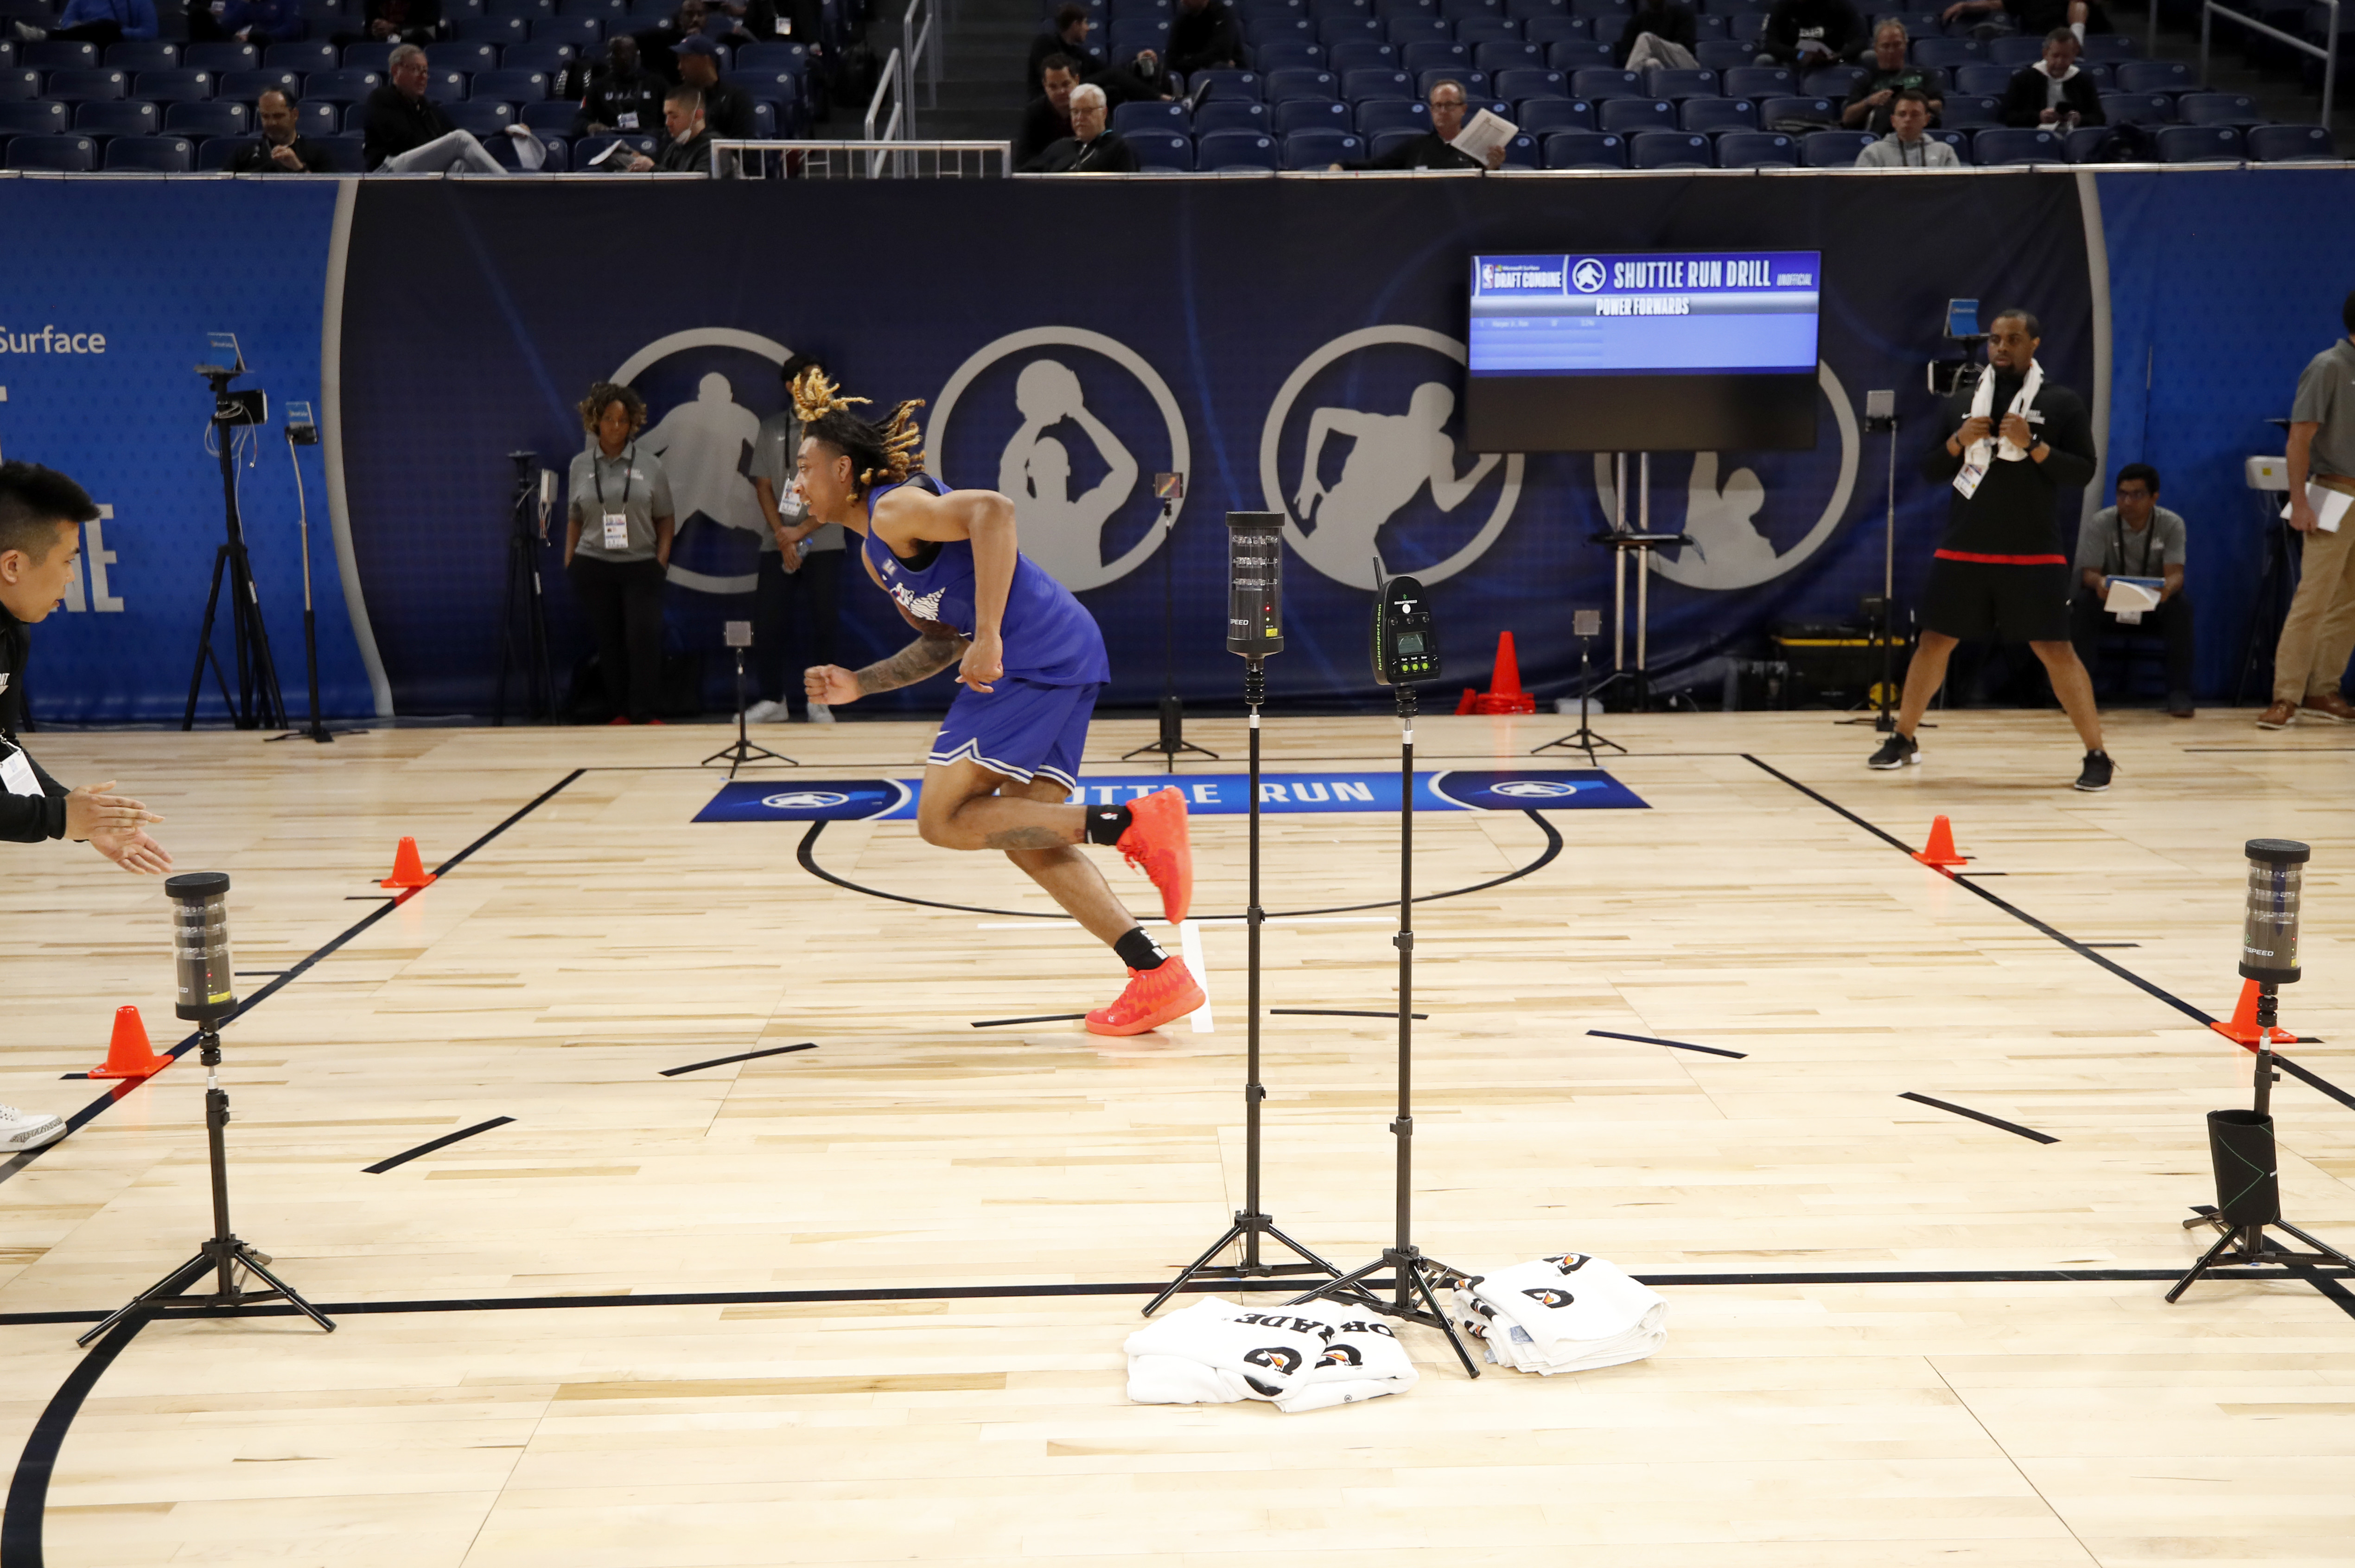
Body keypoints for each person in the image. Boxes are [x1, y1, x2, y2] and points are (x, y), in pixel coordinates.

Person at [787, 368, 1203, 1037]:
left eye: (805, 467)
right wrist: (861, 682)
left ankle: (1129, 823)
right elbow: (940, 642)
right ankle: (1156, 973)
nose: (797, 483)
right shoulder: (875, 552)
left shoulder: (894, 508)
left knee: (943, 819)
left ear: (842, 469)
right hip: (1060, 654)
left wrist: (988, 636)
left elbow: (995, 511)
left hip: (1036, 655)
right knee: (1026, 832)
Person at [0, 466, 172, 1156]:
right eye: (67, 561)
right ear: (13, 564)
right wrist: (59, 819)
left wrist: (73, 813)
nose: (72, 577)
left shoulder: (11, 629)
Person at [1869, 307, 2113, 790]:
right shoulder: (1963, 402)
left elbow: (2082, 471)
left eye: (2013, 339)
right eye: (1996, 339)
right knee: (1933, 643)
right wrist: (1959, 441)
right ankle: (1903, 737)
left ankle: (2097, 752)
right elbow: (1931, 470)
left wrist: (2035, 444)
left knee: (2055, 648)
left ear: (2034, 345)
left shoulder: (2061, 402)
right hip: (1964, 547)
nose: (2001, 347)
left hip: (2033, 551)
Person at [2258, 291, 2355, 730]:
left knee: (2350, 601)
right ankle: (2286, 695)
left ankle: (2323, 688)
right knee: (2313, 598)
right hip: (2335, 491)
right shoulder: (2329, 367)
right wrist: (2299, 501)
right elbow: (2299, 438)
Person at [566, 383, 676, 726]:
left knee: (642, 638)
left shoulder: (650, 465)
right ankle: (620, 711)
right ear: (596, 421)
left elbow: (666, 517)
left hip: (641, 565)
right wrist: (570, 560)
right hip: (594, 564)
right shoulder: (580, 465)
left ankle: (644, 710)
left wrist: (661, 561)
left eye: (624, 421)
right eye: (610, 419)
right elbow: (574, 516)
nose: (616, 426)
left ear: (633, 425)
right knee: (609, 640)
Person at [745, 354, 842, 724]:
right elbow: (764, 486)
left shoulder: (835, 427)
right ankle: (773, 700)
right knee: (768, 621)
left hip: (824, 537)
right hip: (778, 540)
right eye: (807, 378)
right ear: (790, 386)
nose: (816, 383)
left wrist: (801, 532)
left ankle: (821, 701)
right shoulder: (771, 428)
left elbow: (840, 488)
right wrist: (784, 538)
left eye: (821, 376)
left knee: (824, 622)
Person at [2070, 463, 2193, 717]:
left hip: (2152, 606)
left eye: (2136, 495)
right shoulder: (2101, 522)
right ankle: (2081, 693)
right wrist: (2100, 584)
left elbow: (2176, 575)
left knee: (2181, 607)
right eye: (2122, 494)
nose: (2127, 501)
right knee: (2083, 603)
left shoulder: (2171, 524)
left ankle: (2179, 693)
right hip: (2112, 604)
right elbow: (2089, 574)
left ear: (2154, 498)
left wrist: (2167, 589)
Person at [364, 44, 506, 171]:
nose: (423, 77)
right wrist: (440, 149)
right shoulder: (381, 98)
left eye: (425, 71)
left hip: (416, 168)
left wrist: (505, 132)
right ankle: (511, 188)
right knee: (460, 139)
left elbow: (462, 142)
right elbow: (403, 143)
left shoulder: (427, 108)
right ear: (396, 71)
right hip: (387, 170)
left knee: (463, 166)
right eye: (416, 69)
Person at [1362, 78, 1506, 169]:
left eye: (1449, 105)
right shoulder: (1417, 146)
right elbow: (1377, 166)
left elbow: (1488, 195)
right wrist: (1342, 166)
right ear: (1431, 110)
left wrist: (1493, 169)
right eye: (1438, 106)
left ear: (1463, 109)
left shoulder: (1479, 147)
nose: (1443, 111)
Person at [1843, 20, 1944, 131]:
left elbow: (1938, 106)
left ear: (1905, 45)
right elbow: (1848, 118)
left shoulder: (1924, 74)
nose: (1891, 51)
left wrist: (1909, 103)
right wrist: (1871, 101)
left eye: (1897, 45)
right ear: (1876, 48)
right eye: (1886, 46)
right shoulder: (1866, 79)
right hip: (1881, 137)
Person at [1020, 83, 1138, 171]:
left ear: (1104, 113)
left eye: (1087, 111)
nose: (1080, 118)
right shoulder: (1060, 147)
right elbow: (1025, 177)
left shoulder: (1119, 148)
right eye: (1075, 112)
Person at [1999, 28, 2103, 128]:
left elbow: (2099, 118)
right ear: (2045, 54)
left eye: (2066, 56)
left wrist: (2080, 119)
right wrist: (2039, 117)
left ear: (2074, 56)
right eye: (2055, 56)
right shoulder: (2023, 79)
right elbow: (2006, 116)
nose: (2060, 62)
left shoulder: (2084, 81)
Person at [576, 36, 669, 137]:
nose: (610, 57)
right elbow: (579, 122)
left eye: (618, 52)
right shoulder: (598, 86)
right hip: (612, 142)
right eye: (609, 53)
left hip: (649, 141)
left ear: (635, 55)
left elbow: (674, 116)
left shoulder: (657, 83)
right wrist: (589, 126)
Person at [226, 89, 333, 172]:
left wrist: (299, 168)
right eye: (266, 117)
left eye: (278, 116)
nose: (272, 123)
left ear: (295, 115)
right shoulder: (243, 154)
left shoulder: (318, 154)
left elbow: (330, 194)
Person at [674, 35, 754, 140]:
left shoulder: (736, 98)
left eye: (686, 59)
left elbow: (742, 146)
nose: (680, 67)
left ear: (706, 62)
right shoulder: (681, 99)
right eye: (680, 60)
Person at [618, 83, 713, 171]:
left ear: (697, 116)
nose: (668, 123)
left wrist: (652, 169)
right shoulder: (674, 148)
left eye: (674, 116)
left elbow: (698, 186)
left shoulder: (712, 149)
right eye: (667, 116)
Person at [1853, 88, 1958, 165]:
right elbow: (1861, 192)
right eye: (1902, 114)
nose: (1908, 119)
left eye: (1915, 115)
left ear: (1926, 120)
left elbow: (1957, 191)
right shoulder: (1874, 152)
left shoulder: (1944, 152)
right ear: (1893, 120)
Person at [1014, 55, 1080, 168]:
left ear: (1077, 80)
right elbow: (1023, 159)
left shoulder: (1093, 108)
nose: (1061, 91)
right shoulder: (1034, 112)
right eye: (1053, 87)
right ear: (1045, 86)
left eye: (1066, 84)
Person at [1757, 0, 1865, 68]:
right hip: (1791, 61)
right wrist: (1800, 55)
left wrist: (1839, 55)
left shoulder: (1839, 5)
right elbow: (1769, 43)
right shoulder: (1780, 6)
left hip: (1834, 61)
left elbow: (1861, 39)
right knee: (1764, 60)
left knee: (1868, 57)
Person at [8, 0, 156, 45]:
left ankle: (44, 35)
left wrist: (119, 33)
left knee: (108, 26)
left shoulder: (140, 1)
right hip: (82, 43)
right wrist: (77, 28)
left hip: (119, 45)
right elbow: (67, 21)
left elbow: (150, 32)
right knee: (103, 26)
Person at [1027, 3, 1102, 89]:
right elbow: (1055, 79)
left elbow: (1103, 70)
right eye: (1085, 23)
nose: (1087, 28)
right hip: (1048, 100)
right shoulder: (1045, 43)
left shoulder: (1078, 52)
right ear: (1075, 25)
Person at [1615, 0, 1698, 72]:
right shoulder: (1636, 21)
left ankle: (1629, 78)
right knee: (1652, 64)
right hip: (1656, 65)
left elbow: (1686, 45)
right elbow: (1625, 53)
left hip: (1684, 63)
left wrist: (1658, 49)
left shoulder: (1682, 13)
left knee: (1646, 37)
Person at [1167, 0, 1241, 76]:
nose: (1183, 1)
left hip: (1228, 77)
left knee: (1219, 67)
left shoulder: (1223, 13)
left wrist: (1187, 60)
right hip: (1190, 75)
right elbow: (1171, 60)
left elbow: (1221, 54)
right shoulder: (1181, 18)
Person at [191, 0, 302, 46]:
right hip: (239, 43)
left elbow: (292, 27)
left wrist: (260, 37)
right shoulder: (240, 2)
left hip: (273, 43)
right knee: (199, 17)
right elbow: (228, 26)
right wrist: (244, 4)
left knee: (258, 36)